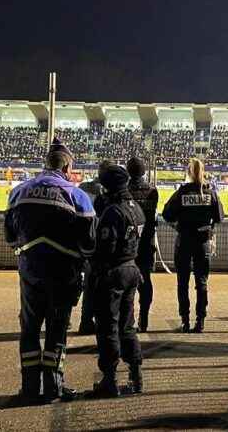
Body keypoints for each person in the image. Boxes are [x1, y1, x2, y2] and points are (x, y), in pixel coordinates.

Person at [4, 139, 96, 402]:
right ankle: (54, 387)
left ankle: (29, 388)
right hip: (63, 272)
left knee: (30, 328)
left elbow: (10, 236)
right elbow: (89, 242)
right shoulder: (77, 196)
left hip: (30, 270)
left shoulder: (19, 191)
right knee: (57, 330)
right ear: (67, 167)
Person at [90, 165, 144, 398]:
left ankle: (110, 380)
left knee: (108, 325)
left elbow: (104, 248)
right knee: (127, 324)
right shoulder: (136, 208)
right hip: (132, 268)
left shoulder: (113, 211)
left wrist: (94, 269)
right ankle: (135, 375)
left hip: (114, 271)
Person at [162, 158, 224, 333]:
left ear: (188, 172)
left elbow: (166, 214)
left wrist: (178, 225)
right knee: (201, 282)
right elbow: (219, 217)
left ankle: (184, 320)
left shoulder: (182, 192)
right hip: (202, 241)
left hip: (184, 240)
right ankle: (200, 320)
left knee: (182, 282)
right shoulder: (209, 192)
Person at [76, 160, 112, 335]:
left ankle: (85, 321)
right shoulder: (111, 192)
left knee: (87, 285)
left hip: (84, 243)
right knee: (103, 286)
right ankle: (102, 321)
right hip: (103, 246)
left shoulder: (83, 188)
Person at [126, 157, 159, 333]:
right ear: (144, 172)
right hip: (146, 243)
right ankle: (143, 318)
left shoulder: (124, 191)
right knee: (145, 281)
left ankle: (128, 319)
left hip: (128, 244)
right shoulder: (152, 191)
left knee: (126, 283)